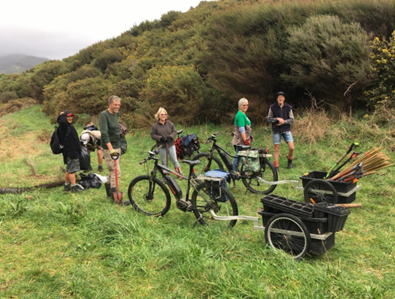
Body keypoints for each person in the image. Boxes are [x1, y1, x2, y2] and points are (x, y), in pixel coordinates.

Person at [99, 95, 130, 205]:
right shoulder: (104, 115)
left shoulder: (116, 114)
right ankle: (115, 199)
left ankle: (109, 193)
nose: (117, 107)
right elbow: (104, 133)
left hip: (117, 145)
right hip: (109, 148)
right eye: (115, 104)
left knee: (114, 171)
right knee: (115, 172)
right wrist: (111, 149)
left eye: (119, 105)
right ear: (109, 104)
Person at [57, 110, 85, 193]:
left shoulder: (68, 126)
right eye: (67, 117)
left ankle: (66, 186)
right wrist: (62, 115)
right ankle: (74, 187)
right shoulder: (64, 126)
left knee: (68, 169)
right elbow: (61, 121)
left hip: (71, 150)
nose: (70, 118)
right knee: (72, 170)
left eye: (71, 116)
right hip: (71, 151)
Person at [267, 91, 295, 173]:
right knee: (276, 148)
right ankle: (276, 166)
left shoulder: (288, 107)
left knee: (292, 148)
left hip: (286, 129)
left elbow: (292, 119)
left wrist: (284, 121)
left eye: (282, 97)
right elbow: (269, 119)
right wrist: (277, 119)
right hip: (276, 130)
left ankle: (289, 161)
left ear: (284, 99)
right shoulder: (272, 107)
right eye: (279, 97)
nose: (280, 98)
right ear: (277, 99)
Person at [150, 107, 182, 175]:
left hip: (171, 144)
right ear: (158, 115)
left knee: (174, 159)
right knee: (164, 161)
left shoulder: (170, 124)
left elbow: (174, 131)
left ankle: (179, 173)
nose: (164, 116)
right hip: (161, 146)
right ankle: (165, 175)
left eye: (165, 114)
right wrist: (160, 138)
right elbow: (152, 135)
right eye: (162, 114)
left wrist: (170, 137)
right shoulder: (155, 126)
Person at [231, 98, 252, 172]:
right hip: (240, 139)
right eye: (244, 105)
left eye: (247, 105)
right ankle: (234, 171)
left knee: (241, 156)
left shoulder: (242, 114)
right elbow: (241, 129)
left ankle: (242, 172)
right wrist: (245, 140)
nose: (245, 106)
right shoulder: (240, 115)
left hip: (243, 138)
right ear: (240, 106)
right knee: (238, 156)